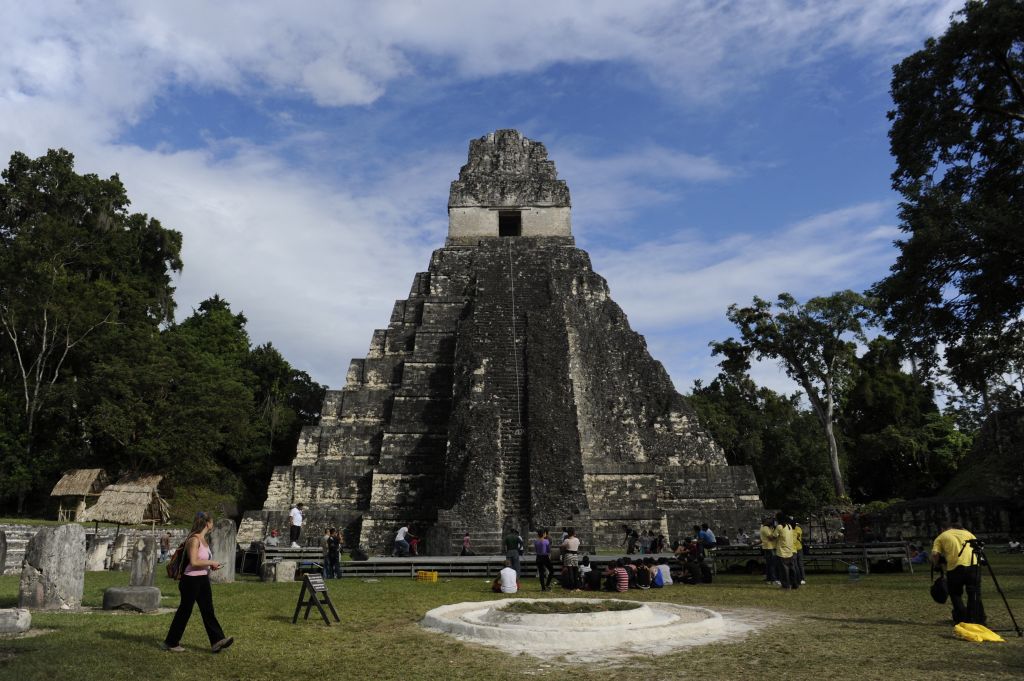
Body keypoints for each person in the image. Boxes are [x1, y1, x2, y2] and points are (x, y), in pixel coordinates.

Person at [162, 512, 233, 653]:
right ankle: (171, 642)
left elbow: (200, 561)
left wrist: (210, 565)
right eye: (212, 522)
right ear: (207, 523)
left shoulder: (204, 540)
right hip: (190, 580)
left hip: (202, 579)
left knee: (208, 611)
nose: (213, 524)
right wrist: (211, 562)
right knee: (185, 611)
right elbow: (194, 561)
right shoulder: (193, 540)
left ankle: (217, 641)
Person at [931, 518, 985, 625]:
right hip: (973, 565)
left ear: (942, 529)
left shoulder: (941, 536)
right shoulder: (967, 533)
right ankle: (975, 618)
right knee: (974, 593)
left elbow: (935, 554)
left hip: (955, 567)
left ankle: (961, 617)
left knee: (955, 593)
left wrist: (937, 565)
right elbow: (979, 547)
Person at [771, 514, 799, 590]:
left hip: (782, 552)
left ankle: (786, 586)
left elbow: (773, 537)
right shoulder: (789, 526)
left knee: (784, 570)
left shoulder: (779, 526)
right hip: (790, 550)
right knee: (792, 570)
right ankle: (794, 584)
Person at [759, 517, 778, 585]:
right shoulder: (765, 528)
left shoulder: (767, 528)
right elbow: (771, 538)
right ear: (765, 521)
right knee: (772, 564)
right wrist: (777, 533)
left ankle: (769, 579)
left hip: (768, 547)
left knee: (769, 564)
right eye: (768, 520)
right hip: (769, 547)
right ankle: (773, 579)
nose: (770, 521)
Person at [791, 519, 806, 585]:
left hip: (798, 548)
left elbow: (797, 536)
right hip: (793, 548)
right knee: (795, 564)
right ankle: (798, 578)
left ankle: (802, 578)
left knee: (800, 564)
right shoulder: (790, 529)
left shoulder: (798, 529)